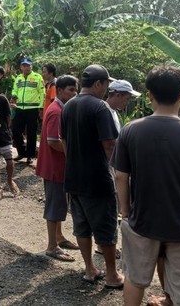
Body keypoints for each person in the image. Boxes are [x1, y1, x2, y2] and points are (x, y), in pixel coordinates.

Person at [112, 66, 180, 306]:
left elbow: (121, 176)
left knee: (135, 279)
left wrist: (126, 212)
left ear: (149, 94)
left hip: (142, 222)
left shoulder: (131, 131)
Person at [61, 64, 123, 289]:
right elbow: (110, 145)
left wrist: (74, 164)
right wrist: (117, 173)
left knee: (82, 226)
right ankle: (112, 275)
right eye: (106, 84)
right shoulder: (100, 107)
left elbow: (64, 141)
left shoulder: (68, 106)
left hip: (73, 178)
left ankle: (89, 269)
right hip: (98, 179)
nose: (106, 89)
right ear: (98, 84)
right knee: (106, 228)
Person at [94, 79, 141, 256]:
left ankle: (105, 244)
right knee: (109, 208)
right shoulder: (105, 112)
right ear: (117, 95)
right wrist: (117, 168)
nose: (126, 102)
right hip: (110, 166)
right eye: (126, 98)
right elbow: (110, 145)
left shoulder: (112, 112)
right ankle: (104, 246)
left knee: (112, 207)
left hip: (113, 165)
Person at [36, 75, 80, 262]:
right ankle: (52, 246)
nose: (74, 94)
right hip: (55, 166)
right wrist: (74, 153)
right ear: (60, 90)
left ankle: (59, 238)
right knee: (55, 205)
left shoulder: (61, 109)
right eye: (71, 90)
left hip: (58, 167)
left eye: (76, 90)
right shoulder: (56, 111)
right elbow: (53, 141)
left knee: (60, 203)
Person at [10, 57, 45, 165]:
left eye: (28, 65)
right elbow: (15, 89)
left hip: (33, 109)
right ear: (21, 67)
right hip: (19, 108)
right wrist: (14, 96)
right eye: (24, 65)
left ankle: (30, 155)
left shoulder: (37, 77)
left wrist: (41, 108)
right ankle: (21, 152)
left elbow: (42, 93)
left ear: (31, 66)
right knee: (15, 130)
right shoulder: (18, 78)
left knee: (31, 133)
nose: (26, 67)